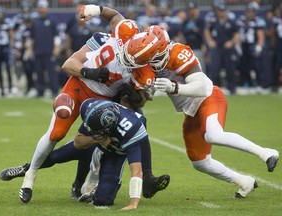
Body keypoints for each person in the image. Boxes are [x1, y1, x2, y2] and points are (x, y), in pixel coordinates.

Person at [18, 4, 168, 203]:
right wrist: (96, 10)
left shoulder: (145, 72)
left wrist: (135, 96)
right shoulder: (120, 33)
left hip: (100, 101)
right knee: (56, 133)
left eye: (132, 62)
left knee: (89, 143)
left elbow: (140, 101)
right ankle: (30, 175)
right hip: (79, 85)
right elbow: (68, 64)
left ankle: (87, 186)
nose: (125, 60)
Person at [147, 25, 279, 198]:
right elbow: (145, 94)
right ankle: (243, 181)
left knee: (213, 135)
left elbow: (200, 88)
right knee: (199, 161)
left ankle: (266, 152)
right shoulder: (145, 60)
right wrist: (146, 91)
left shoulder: (178, 52)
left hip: (208, 97)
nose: (155, 58)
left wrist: (173, 87)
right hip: (190, 109)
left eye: (158, 52)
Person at [204, 3, 240, 95]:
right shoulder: (214, 21)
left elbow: (237, 34)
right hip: (217, 48)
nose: (221, 13)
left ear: (226, 12)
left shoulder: (231, 22)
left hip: (228, 49)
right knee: (215, 69)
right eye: (220, 11)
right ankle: (215, 90)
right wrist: (210, 41)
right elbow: (207, 31)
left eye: (223, 11)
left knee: (230, 69)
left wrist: (231, 42)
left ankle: (232, 89)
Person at [29, 0, 60, 97]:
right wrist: (29, 49)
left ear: (47, 8)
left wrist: (56, 47)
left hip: (49, 51)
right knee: (39, 73)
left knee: (51, 72)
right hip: (38, 51)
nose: (41, 9)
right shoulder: (35, 22)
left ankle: (54, 90)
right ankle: (40, 91)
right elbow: (32, 38)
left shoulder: (51, 20)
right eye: (40, 7)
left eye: (43, 7)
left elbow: (56, 36)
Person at [0, 6, 15, 97]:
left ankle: (10, 88)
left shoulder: (7, 24)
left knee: (7, 68)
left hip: (6, 48)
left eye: (1, 15)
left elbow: (11, 36)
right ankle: (2, 89)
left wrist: (13, 47)